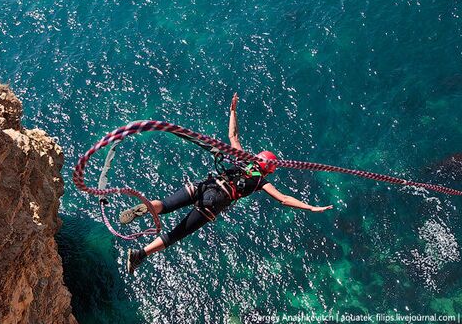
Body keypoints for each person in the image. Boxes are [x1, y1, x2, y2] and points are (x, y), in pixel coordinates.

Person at [122, 93, 333, 273]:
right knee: (176, 234)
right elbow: (284, 199)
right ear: (268, 170)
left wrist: (233, 111)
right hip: (215, 203)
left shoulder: (243, 158)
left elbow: (233, 135)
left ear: (259, 158)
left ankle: (146, 208)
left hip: (207, 185)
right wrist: (311, 207)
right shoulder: (260, 181)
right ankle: (139, 255)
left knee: (166, 205)